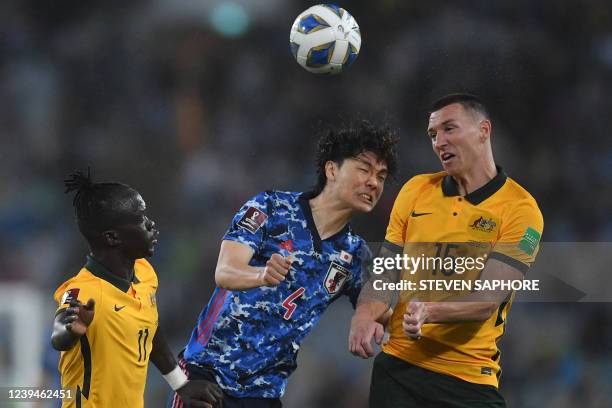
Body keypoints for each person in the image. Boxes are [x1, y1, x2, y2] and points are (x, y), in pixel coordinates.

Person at [168, 121, 398, 407]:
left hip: (264, 395)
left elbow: (377, 305)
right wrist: (263, 274)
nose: (374, 182)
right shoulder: (271, 208)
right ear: (331, 170)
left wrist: (407, 317)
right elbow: (225, 272)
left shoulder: (354, 254)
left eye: (381, 176)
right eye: (364, 169)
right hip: (207, 375)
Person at [349, 94, 544, 407]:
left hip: (467, 381)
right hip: (398, 370)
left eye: (449, 129)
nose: (439, 141)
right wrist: (364, 313)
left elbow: (486, 300)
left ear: (484, 131)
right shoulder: (415, 191)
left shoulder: (522, 211)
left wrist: (430, 311)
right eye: (433, 134)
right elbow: (385, 271)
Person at [51, 170, 223, 408]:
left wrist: (181, 384)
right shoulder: (84, 290)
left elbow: (148, 329)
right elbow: (59, 334)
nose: (151, 223)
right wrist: (73, 329)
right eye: (140, 218)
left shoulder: (144, 273)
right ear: (112, 237)